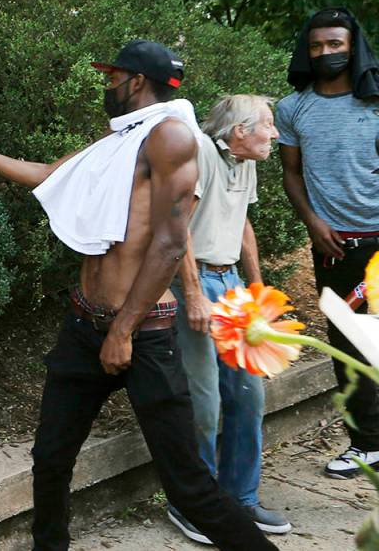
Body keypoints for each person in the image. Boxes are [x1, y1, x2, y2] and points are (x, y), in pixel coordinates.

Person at [0, 40, 277, 551]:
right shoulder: (122, 140)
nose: (107, 86)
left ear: (135, 80)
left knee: (190, 486)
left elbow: (169, 243)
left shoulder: (171, 138)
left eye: (111, 77)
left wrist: (122, 331)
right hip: (83, 325)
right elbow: (50, 174)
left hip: (143, 335)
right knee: (51, 458)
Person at [165, 94, 290, 543]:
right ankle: (192, 503)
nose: (275, 134)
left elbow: (242, 224)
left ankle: (240, 499)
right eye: (268, 125)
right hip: (193, 282)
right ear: (240, 131)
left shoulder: (247, 160)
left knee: (248, 394)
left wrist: (257, 291)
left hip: (231, 282)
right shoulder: (200, 150)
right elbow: (177, 224)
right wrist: (194, 292)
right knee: (205, 402)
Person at [277, 7, 379, 479]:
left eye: (335, 44)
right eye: (317, 46)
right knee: (349, 342)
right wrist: (313, 223)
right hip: (334, 247)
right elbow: (292, 174)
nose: (326, 53)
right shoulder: (292, 108)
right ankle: (366, 445)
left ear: (353, 46)